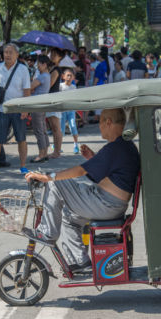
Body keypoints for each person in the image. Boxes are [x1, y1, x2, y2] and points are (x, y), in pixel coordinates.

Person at [23, 108, 140, 272]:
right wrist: (93, 158)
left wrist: (49, 177)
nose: (99, 127)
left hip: (106, 204)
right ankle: (81, 262)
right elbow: (104, 171)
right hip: (109, 203)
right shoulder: (123, 146)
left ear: (108, 122)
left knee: (56, 184)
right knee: (67, 217)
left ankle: (47, 233)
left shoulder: (115, 148)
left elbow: (80, 171)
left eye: (100, 122)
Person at [0, 43, 31, 176]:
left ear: (17, 54)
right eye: (5, 52)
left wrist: (25, 109)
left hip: (18, 108)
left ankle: (23, 166)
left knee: (21, 138)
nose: (7, 54)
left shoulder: (23, 69)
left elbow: (27, 90)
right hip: (2, 109)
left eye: (11, 52)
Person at [29, 54, 51, 163]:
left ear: (44, 64)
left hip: (37, 105)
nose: (38, 66)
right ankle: (45, 153)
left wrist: (32, 87)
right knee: (43, 130)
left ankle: (41, 154)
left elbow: (30, 87)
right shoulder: (47, 75)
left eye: (39, 64)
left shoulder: (42, 76)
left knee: (39, 131)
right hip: (43, 104)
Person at [59, 68, 79, 154]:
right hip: (62, 111)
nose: (69, 77)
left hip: (71, 110)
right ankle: (58, 146)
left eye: (71, 75)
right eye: (68, 75)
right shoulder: (60, 86)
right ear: (63, 76)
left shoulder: (74, 87)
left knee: (73, 126)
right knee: (61, 129)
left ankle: (76, 145)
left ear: (73, 77)